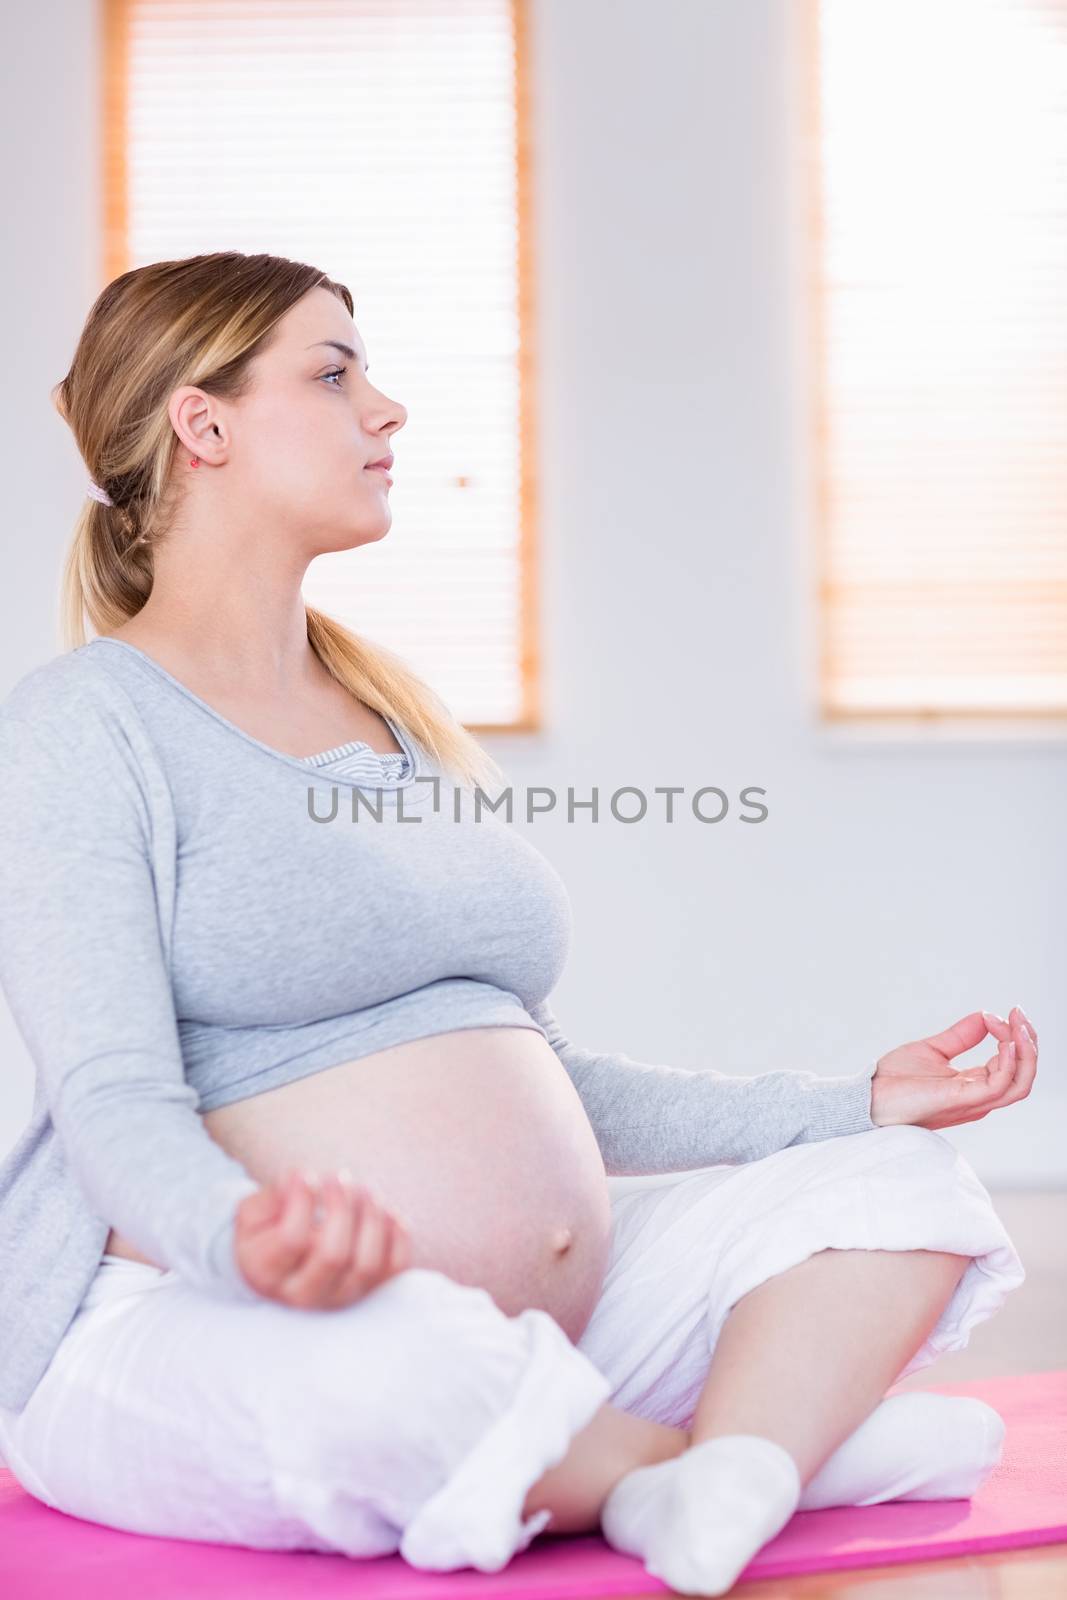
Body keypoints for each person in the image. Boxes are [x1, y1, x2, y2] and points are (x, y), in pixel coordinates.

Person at [0, 252, 1032, 1597]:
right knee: (394, 1378)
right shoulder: (89, 727)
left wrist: (847, 1104)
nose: (387, 410)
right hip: (202, 1317)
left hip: (538, 1325)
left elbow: (533, 1078)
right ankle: (755, 1453)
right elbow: (111, 1096)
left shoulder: (388, 718)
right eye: (333, 373)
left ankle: (682, 1465)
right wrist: (243, 1241)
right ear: (206, 426)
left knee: (902, 1188)